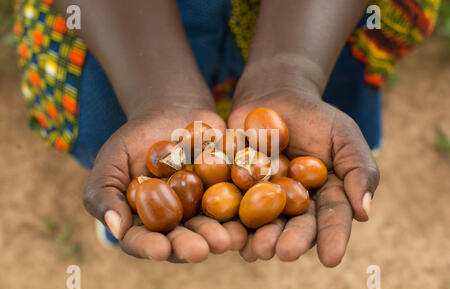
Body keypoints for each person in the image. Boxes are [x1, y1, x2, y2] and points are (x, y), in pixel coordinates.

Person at [13, 0, 440, 266]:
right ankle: (129, 211)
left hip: (315, 18)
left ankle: (136, 209)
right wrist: (159, 93)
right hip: (123, 29)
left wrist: (291, 71)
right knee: (118, 130)